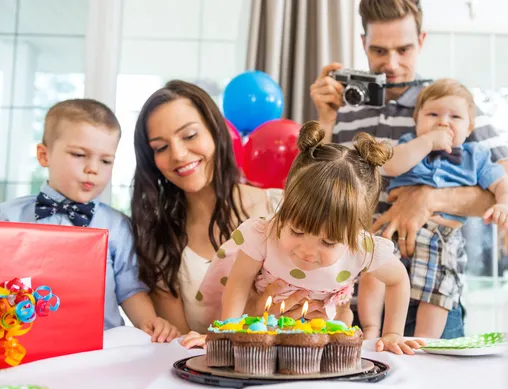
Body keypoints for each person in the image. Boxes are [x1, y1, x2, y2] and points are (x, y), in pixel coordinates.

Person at [310, 0, 508, 338]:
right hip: (352, 295)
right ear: (362, 43)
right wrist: (325, 120)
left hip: (432, 292)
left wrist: (428, 199)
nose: (392, 64)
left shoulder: (449, 106)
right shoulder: (347, 108)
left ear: (422, 41)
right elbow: (311, 194)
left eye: (404, 49)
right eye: (379, 51)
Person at [181, 120, 424, 355]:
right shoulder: (263, 235)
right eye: (297, 231)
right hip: (262, 338)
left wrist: (393, 333)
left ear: (354, 230)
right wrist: (229, 332)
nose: (307, 250)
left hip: (321, 346)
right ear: (285, 203)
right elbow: (238, 283)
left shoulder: (361, 248)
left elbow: (398, 280)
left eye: (328, 242)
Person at [130, 80, 325, 335]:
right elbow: (182, 345)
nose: (177, 154)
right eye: (161, 147)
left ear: (216, 131)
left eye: (189, 135)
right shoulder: (159, 238)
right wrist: (252, 316)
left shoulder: (280, 207)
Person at [0, 99, 179, 342]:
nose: (93, 168)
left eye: (105, 161)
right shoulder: (8, 217)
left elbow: (130, 289)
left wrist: (149, 322)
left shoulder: (117, 226)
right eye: (79, 155)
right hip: (22, 345)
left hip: (97, 349)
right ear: (44, 155)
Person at [359, 78, 508, 338]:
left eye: (454, 116)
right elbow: (391, 166)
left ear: (470, 128)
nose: (443, 122)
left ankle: (425, 344)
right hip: (394, 229)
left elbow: (507, 186)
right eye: (433, 114)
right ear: (417, 120)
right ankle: (372, 329)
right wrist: (427, 142)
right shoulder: (410, 144)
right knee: (374, 269)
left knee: (438, 289)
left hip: (442, 237)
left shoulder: (475, 156)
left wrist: (504, 205)